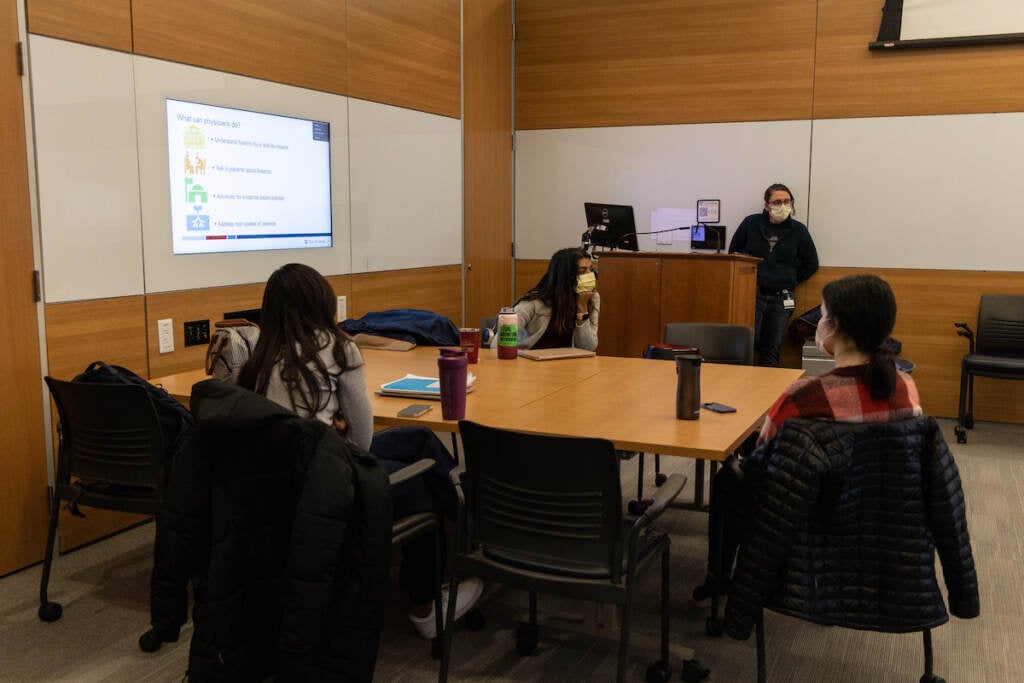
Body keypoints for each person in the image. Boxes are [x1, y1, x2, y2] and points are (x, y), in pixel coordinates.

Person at [237, 263, 482, 639]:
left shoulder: (256, 361)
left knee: (417, 439)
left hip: (283, 485)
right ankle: (428, 605)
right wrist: (338, 427)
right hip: (329, 487)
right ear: (322, 302)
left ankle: (471, 524)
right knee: (419, 486)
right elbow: (363, 442)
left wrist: (333, 425)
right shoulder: (337, 348)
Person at [692, 274, 922, 601]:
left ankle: (719, 578)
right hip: (881, 510)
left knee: (729, 480)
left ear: (837, 327)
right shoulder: (905, 385)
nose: (818, 322)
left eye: (823, 316)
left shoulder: (805, 397)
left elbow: (765, 462)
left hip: (808, 509)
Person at [728, 183, 819, 366]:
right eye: (777, 202)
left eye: (787, 201)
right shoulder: (750, 223)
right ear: (766, 205)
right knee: (745, 344)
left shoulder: (798, 230)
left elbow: (811, 263)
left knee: (771, 348)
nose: (783, 205)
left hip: (781, 299)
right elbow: (734, 255)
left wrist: (790, 279)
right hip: (752, 295)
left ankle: (767, 393)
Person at [498, 246, 599, 350]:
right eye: (582, 271)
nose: (589, 275)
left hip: (569, 363)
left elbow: (588, 347)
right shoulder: (535, 302)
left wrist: (582, 308)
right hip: (532, 362)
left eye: (590, 269)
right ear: (565, 276)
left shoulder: (592, 298)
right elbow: (499, 343)